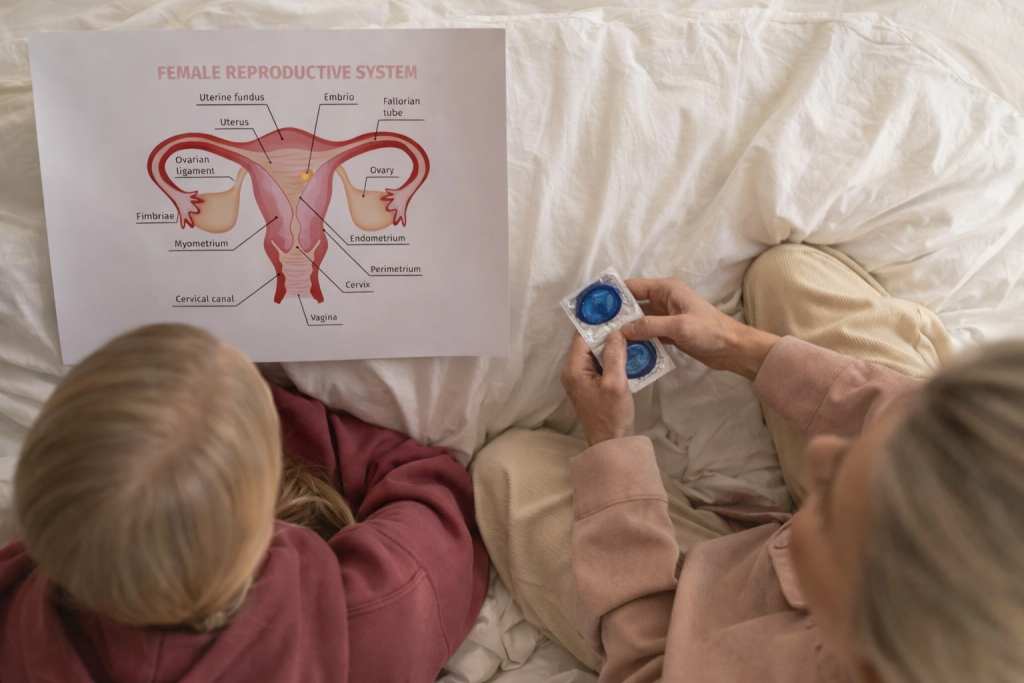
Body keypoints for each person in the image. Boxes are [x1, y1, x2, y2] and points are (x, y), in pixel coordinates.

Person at [473, 244, 1024, 682]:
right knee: (790, 273)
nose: (827, 452)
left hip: (712, 624)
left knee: (507, 467)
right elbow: (897, 411)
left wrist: (610, 448)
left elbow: (648, 664)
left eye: (838, 521)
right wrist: (740, 345)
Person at [0, 324, 488, 683]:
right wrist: (296, 426)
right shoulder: (368, 615)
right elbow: (433, 492)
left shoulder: (18, 613)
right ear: (270, 500)